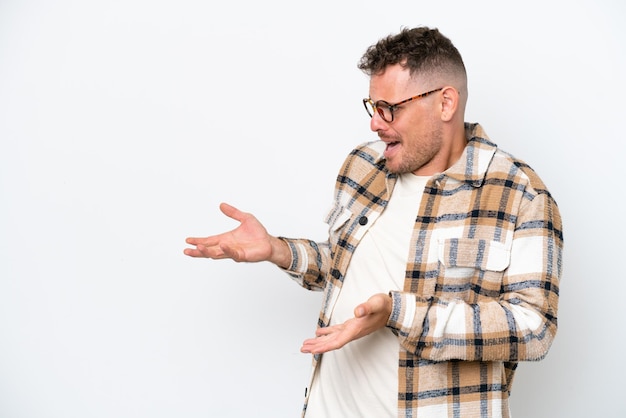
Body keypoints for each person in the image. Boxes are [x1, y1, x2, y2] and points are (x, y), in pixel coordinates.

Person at [184, 26, 564, 418]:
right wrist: (278, 251)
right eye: (372, 106)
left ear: (446, 103)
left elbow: (534, 328)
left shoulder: (521, 195)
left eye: (390, 108)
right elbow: (344, 266)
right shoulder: (363, 166)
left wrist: (400, 313)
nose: (375, 124)